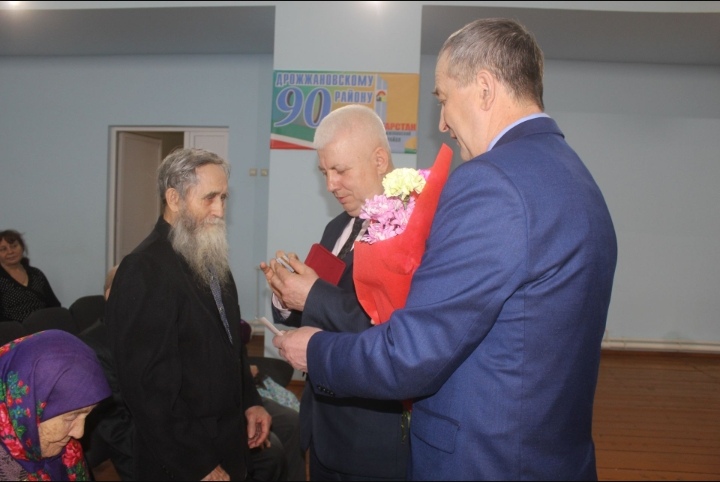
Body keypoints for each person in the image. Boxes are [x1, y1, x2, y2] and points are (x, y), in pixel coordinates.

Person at [271, 18, 618, 480]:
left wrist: (316, 352)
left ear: (484, 89)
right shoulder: (577, 177)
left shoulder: (491, 183)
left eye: (442, 99)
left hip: (486, 460)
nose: (442, 123)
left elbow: (412, 354)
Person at [105, 148, 277, 480]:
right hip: (183, 457)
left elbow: (231, 346)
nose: (220, 210)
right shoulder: (143, 268)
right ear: (174, 198)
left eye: (223, 198)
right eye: (209, 198)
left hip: (227, 439)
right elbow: (148, 388)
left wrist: (251, 401)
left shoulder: (210, 256)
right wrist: (197, 462)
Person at [260, 104, 409, 480]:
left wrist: (311, 293)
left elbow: (392, 331)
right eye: (324, 172)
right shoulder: (336, 227)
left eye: (340, 170)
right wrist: (286, 295)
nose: (330, 185)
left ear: (379, 160)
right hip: (323, 426)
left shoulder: (408, 230)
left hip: (370, 434)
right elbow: (322, 308)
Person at [0, 329, 111, 480]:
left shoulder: (67, 450)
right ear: (27, 408)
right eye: (70, 417)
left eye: (87, 414)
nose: (79, 433)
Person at [0, 229, 61, 322]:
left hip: (45, 324)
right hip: (14, 329)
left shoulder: (36, 274)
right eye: (3, 249)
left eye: (14, 246)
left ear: (22, 247)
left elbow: (54, 305)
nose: (10, 252)